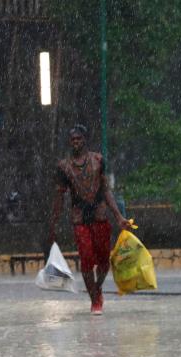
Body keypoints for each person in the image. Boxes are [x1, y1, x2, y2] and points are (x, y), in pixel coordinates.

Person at [49, 124, 134, 315]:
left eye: (79, 138)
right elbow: (59, 196)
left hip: (100, 215)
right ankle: (95, 299)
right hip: (80, 218)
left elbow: (105, 190)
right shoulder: (63, 167)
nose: (76, 142)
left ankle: (97, 288)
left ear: (84, 140)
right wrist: (54, 221)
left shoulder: (98, 161)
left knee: (104, 261)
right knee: (86, 259)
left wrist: (119, 216)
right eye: (73, 139)